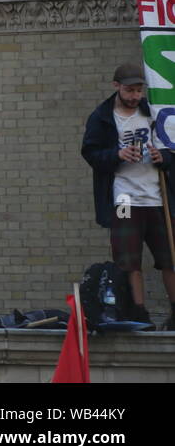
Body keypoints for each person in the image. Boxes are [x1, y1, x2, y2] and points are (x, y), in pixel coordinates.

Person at [80, 62, 175, 328]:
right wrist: (116, 155)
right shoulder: (102, 117)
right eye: (130, 90)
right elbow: (90, 153)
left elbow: (171, 148)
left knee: (170, 257)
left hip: (158, 198)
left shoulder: (153, 113)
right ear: (116, 87)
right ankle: (138, 313)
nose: (135, 96)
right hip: (124, 199)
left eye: (138, 91)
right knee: (129, 258)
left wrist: (163, 157)